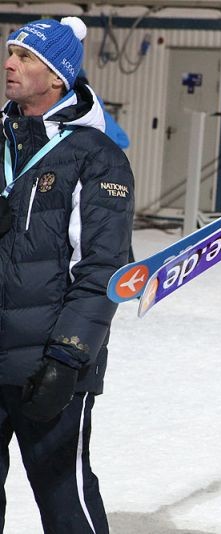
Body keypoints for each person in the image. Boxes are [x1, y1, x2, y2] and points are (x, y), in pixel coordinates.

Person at [0, 16, 134, 533]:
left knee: (65, 502)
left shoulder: (96, 156)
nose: (10, 63)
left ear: (57, 75)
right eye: (11, 52)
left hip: (46, 362)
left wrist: (67, 357)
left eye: (25, 56)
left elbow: (104, 268)